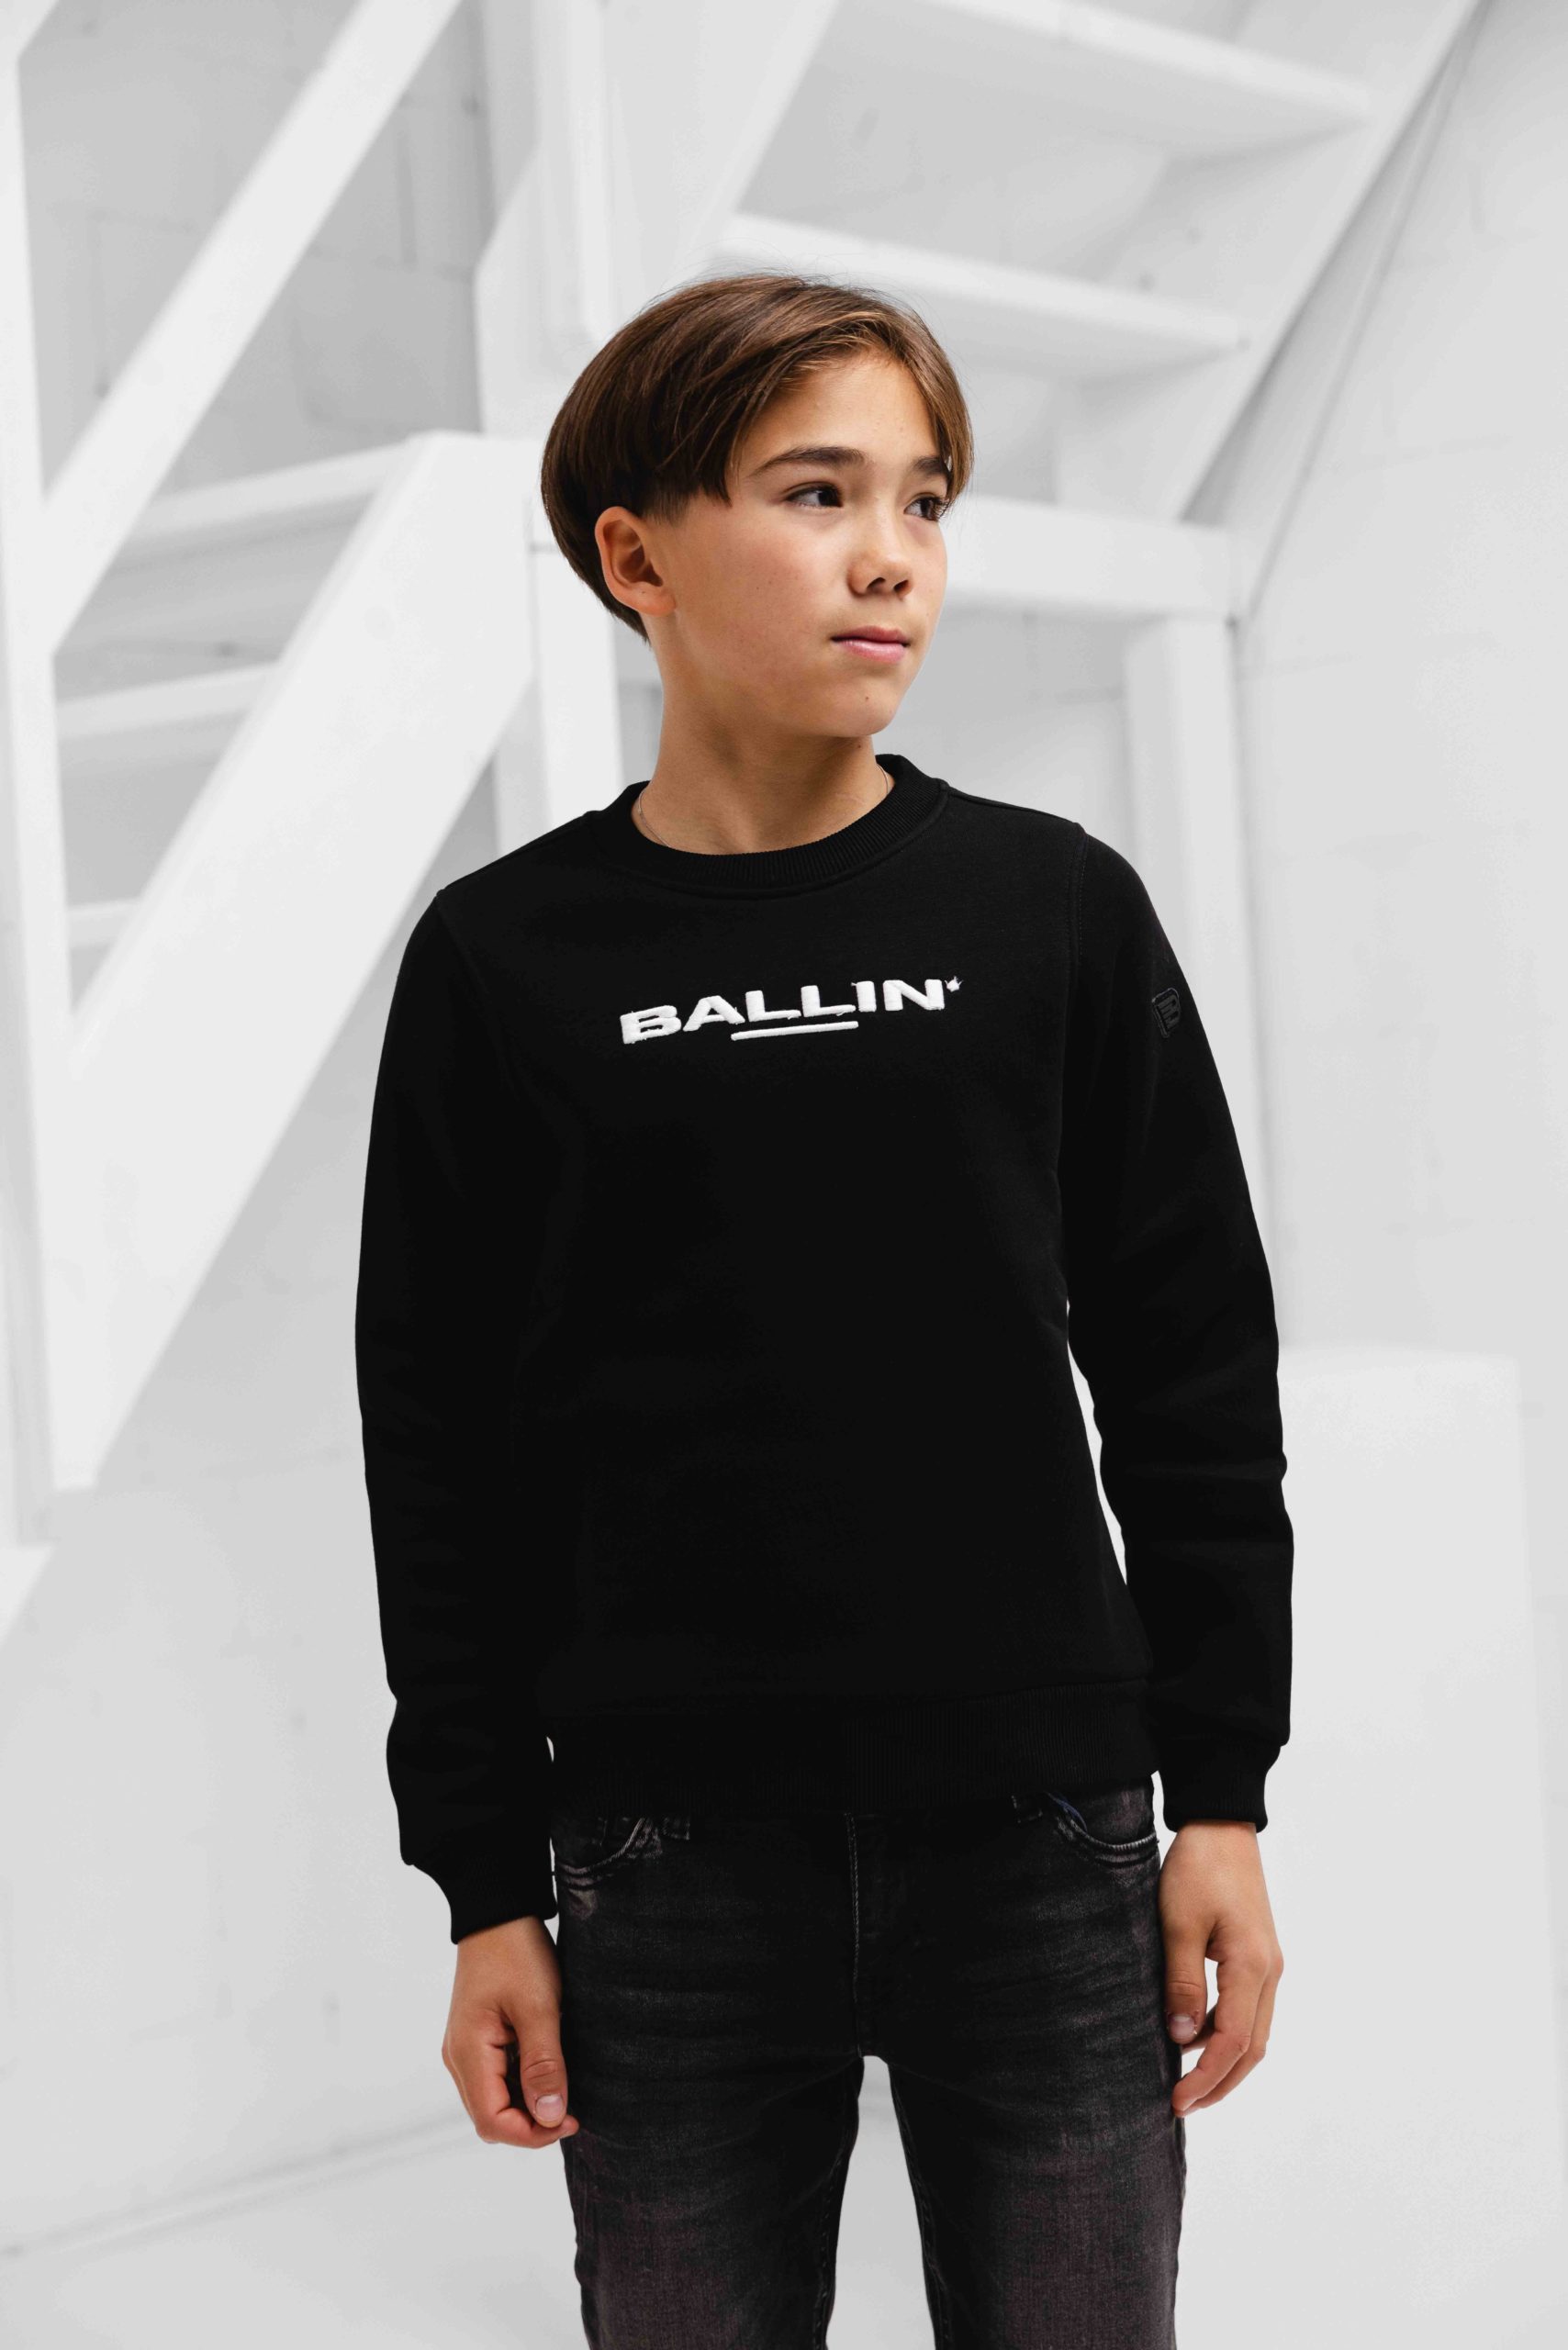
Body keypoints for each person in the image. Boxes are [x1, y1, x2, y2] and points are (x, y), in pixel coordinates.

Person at [353, 269, 1290, 2348]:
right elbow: (435, 1445)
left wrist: (1219, 1792)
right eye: (814, 491)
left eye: (924, 498)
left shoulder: (1050, 907)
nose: (891, 554)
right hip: (663, 1857)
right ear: (637, 557)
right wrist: (485, 1881)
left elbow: (1194, 1373)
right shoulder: (503, 962)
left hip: (1044, 1837)